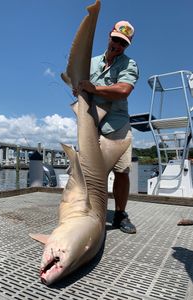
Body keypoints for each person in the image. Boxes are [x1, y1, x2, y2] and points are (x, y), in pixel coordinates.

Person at [77, 20, 139, 234]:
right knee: (89, 172)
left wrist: (93, 88)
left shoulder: (129, 65)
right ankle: (89, 211)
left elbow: (123, 90)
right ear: (109, 36)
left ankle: (120, 214)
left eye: (122, 43)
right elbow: (79, 83)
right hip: (91, 124)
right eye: (115, 39)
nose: (117, 45)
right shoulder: (91, 62)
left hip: (117, 125)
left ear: (126, 46)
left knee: (122, 171)